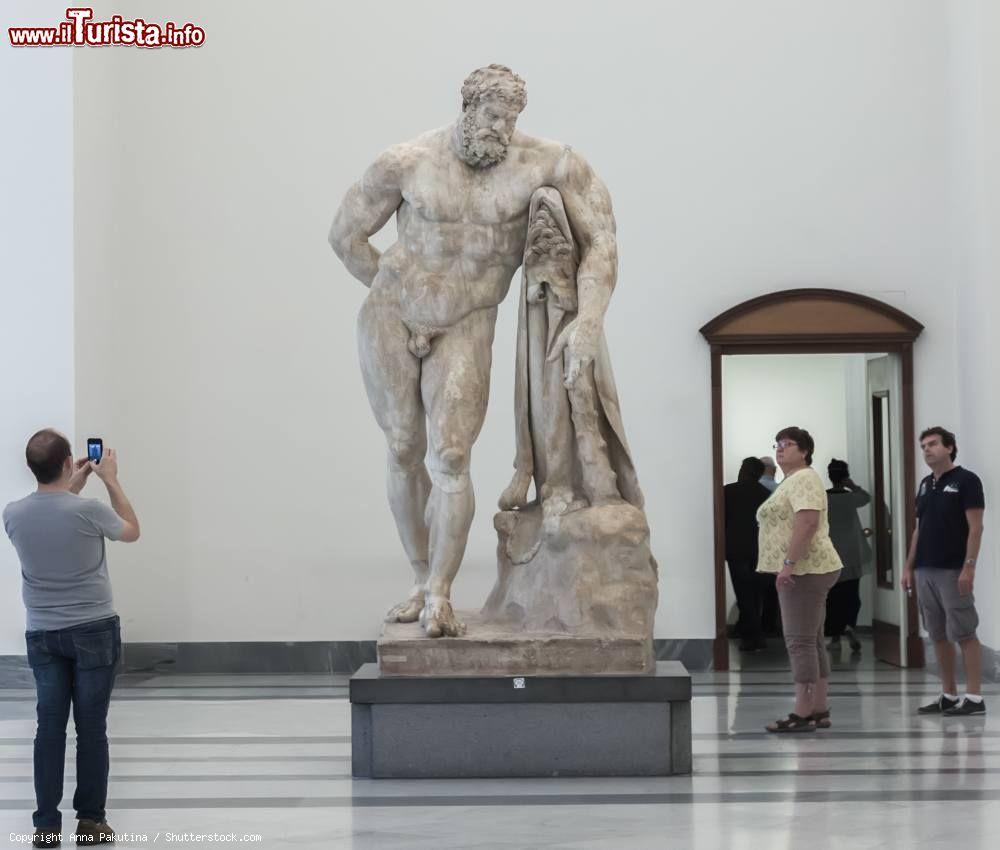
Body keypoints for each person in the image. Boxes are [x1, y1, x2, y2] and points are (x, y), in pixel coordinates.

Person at [329, 65, 618, 638]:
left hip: (468, 321)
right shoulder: (406, 161)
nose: (502, 129)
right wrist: (395, 289)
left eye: (511, 119)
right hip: (390, 315)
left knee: (452, 458)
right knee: (405, 446)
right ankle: (418, 577)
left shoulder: (550, 163)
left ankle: (440, 593)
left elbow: (602, 242)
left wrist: (589, 318)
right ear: (466, 107)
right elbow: (345, 235)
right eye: (492, 116)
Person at [3, 429, 140, 847]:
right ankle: (90, 821)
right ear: (67, 463)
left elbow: (54, 511)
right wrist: (111, 479)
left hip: (43, 633)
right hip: (93, 630)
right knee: (91, 728)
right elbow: (131, 530)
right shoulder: (90, 511)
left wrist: (69, 485)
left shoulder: (12, 513)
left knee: (49, 728)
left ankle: (46, 826)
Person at [757, 427, 843, 732]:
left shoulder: (805, 477)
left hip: (805, 570)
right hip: (808, 569)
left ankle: (803, 712)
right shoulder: (792, 481)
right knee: (813, 640)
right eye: (777, 445)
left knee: (799, 641)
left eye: (787, 444)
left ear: (804, 451)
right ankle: (818, 708)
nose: (780, 449)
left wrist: (789, 565)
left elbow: (807, 522)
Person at [902, 427, 986, 716]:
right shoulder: (926, 484)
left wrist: (969, 567)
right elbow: (918, 529)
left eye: (933, 444)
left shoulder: (967, 481)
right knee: (937, 633)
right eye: (923, 445)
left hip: (953, 569)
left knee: (964, 632)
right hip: (925, 569)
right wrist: (908, 566)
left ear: (949, 447)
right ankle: (948, 694)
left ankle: (974, 697)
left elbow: (976, 527)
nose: (926, 449)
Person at [824, 459, 872, 654]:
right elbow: (866, 498)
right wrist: (851, 485)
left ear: (829, 476)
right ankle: (850, 625)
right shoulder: (851, 498)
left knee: (831, 596)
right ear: (845, 476)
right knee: (852, 594)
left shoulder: (823, 498)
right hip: (852, 553)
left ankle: (835, 637)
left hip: (829, 553)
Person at [724, 457, 771, 651]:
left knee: (743, 592)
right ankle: (752, 633)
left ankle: (752, 635)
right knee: (756, 593)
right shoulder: (766, 494)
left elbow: (722, 520)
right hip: (759, 549)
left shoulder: (728, 491)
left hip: (735, 549)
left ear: (743, 470)